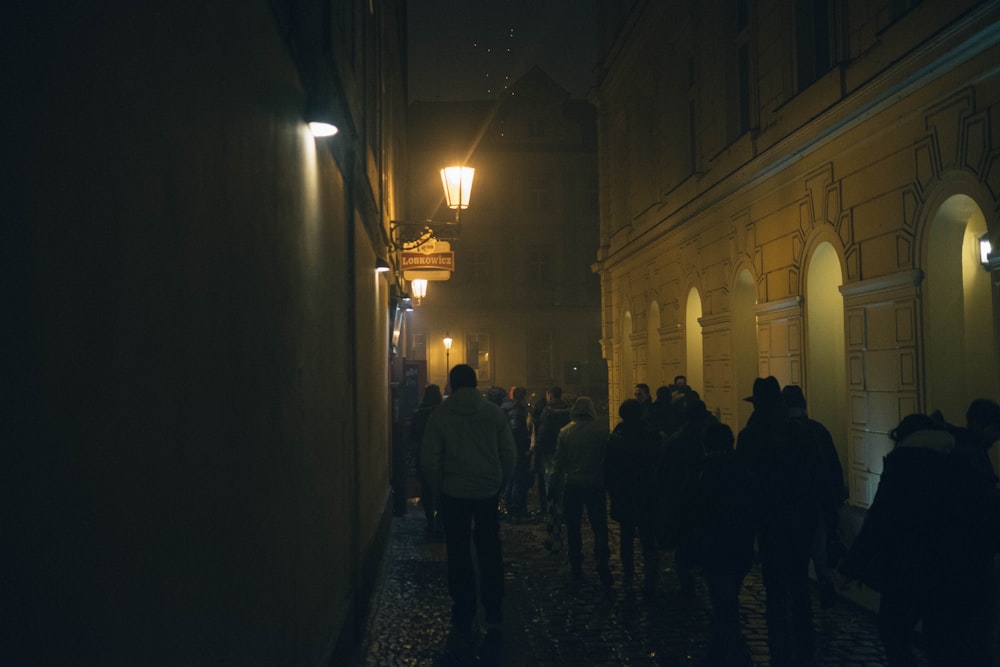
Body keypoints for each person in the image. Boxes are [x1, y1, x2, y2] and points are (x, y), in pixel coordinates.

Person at [838, 413, 1000, 667]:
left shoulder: (903, 464)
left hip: (906, 571)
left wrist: (850, 568)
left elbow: (879, 521)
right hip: (955, 573)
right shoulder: (963, 460)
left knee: (893, 632)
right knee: (941, 642)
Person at [420, 364, 516, 634]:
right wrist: (499, 483)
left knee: (458, 551)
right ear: (475, 383)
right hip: (486, 491)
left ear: (452, 384)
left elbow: (429, 459)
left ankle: (463, 607)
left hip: (453, 492)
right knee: (490, 549)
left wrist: (440, 487)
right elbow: (508, 454)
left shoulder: (440, 415)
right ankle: (493, 606)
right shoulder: (493, 414)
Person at [737, 376, 823, 667]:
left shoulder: (751, 435)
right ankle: (806, 646)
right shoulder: (801, 432)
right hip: (800, 519)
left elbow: (744, 484)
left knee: (775, 590)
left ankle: (780, 651)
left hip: (769, 520)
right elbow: (815, 477)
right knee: (799, 585)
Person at [690, 421, 755, 667]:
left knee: (722, 600)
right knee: (727, 598)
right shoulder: (744, 471)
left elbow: (694, 511)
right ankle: (720, 651)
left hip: (714, 544)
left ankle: (733, 653)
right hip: (739, 542)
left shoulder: (703, 472)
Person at [781, 384, 846, 607]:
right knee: (820, 552)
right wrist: (836, 499)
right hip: (817, 503)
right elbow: (832, 466)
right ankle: (826, 590)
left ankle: (798, 602)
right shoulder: (818, 430)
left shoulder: (781, 432)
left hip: (792, 507)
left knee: (795, 558)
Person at [552, 396, 613, 586]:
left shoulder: (565, 432)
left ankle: (576, 563)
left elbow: (559, 462)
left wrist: (554, 486)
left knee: (573, 526)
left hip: (574, 485)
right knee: (599, 526)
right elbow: (607, 460)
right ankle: (602, 562)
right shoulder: (601, 432)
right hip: (595, 484)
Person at [605, 398, 662, 594]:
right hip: (647, 491)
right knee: (648, 536)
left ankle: (628, 575)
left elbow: (609, 468)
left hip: (625, 493)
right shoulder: (651, 433)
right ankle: (651, 577)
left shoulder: (617, 436)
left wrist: (612, 491)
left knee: (626, 537)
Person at [659, 398, 714, 596]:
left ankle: (687, 582)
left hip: (683, 498)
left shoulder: (677, 439)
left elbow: (666, 470)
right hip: (705, 498)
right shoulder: (708, 436)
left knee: (685, 542)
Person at [532, 386, 572, 520]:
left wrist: (537, 447)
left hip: (548, 450)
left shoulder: (547, 411)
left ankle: (551, 510)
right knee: (563, 479)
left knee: (549, 480)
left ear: (549, 395)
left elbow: (543, 432)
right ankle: (564, 508)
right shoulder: (568, 410)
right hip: (564, 449)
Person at [410, 383, 444, 535]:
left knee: (426, 490)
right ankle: (440, 523)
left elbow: (413, 436)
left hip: (423, 455)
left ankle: (430, 521)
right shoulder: (443, 413)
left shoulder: (419, 414)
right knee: (442, 491)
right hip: (442, 457)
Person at [501, 386, 532, 521]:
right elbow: (518, 431)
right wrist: (525, 448)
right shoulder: (518, 410)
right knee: (517, 482)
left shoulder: (506, 408)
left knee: (511, 480)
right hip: (518, 451)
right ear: (522, 397)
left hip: (509, 449)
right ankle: (515, 511)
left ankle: (511, 509)